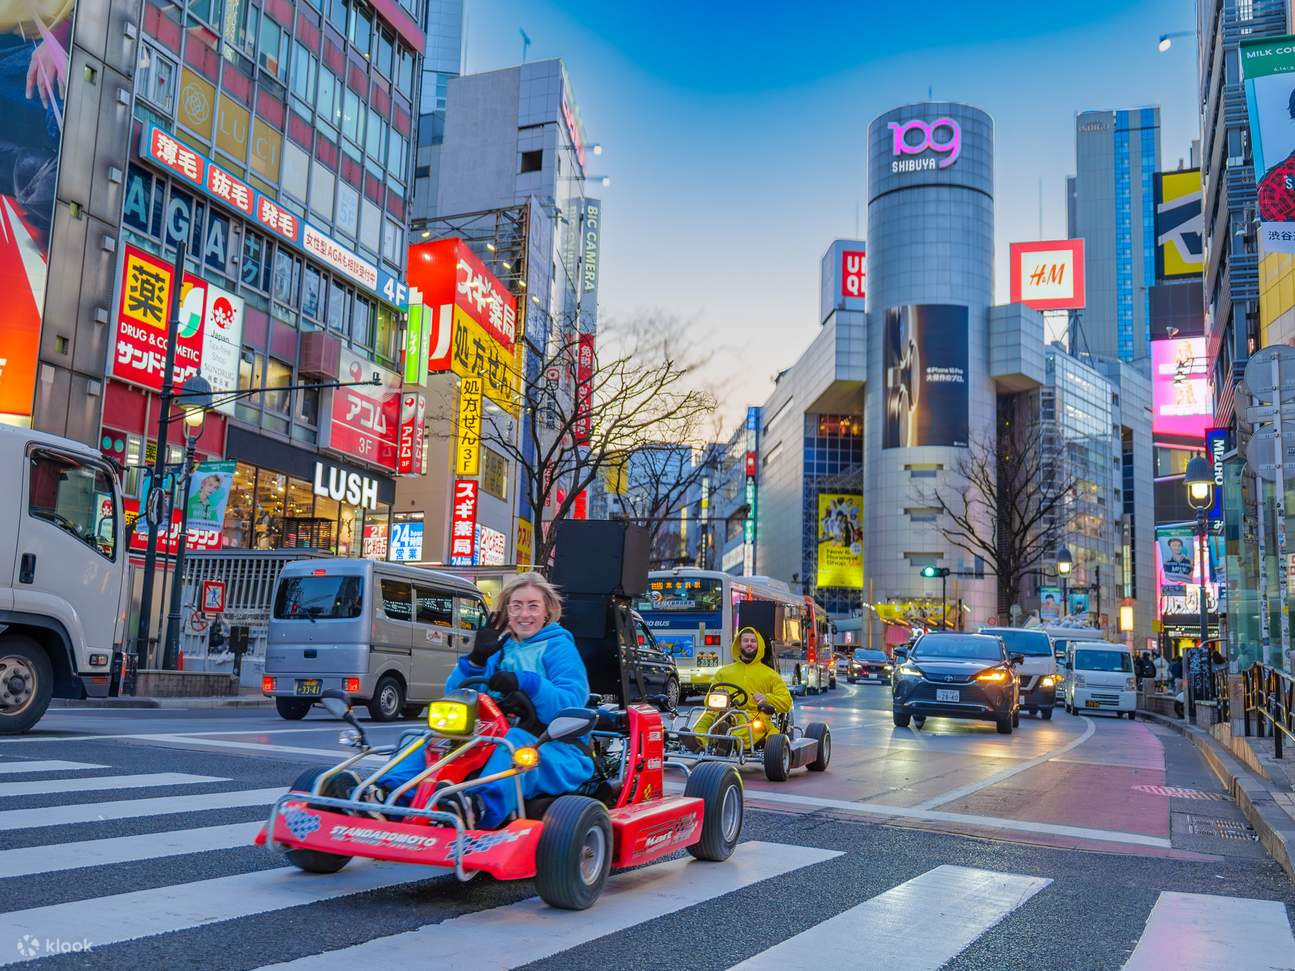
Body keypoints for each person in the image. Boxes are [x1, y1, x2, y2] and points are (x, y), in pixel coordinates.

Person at [377, 572, 593, 829]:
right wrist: (476, 661)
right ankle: (387, 796)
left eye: (533, 606)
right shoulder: (500, 647)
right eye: (517, 606)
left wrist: (528, 683)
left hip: (553, 745)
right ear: (506, 611)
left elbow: (570, 703)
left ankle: (478, 808)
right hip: (492, 733)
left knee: (512, 744)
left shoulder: (559, 647)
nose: (524, 614)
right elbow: (457, 695)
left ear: (547, 611)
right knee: (433, 739)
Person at [687, 627, 792, 752]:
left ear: (759, 645)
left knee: (750, 725)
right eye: (745, 641)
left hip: (755, 714)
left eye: (753, 641)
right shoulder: (724, 672)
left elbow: (787, 702)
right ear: (739, 644)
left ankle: (730, 744)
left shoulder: (770, 674)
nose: (749, 644)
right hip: (724, 713)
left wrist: (766, 698)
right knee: (706, 717)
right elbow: (708, 700)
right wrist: (718, 696)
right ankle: (698, 742)